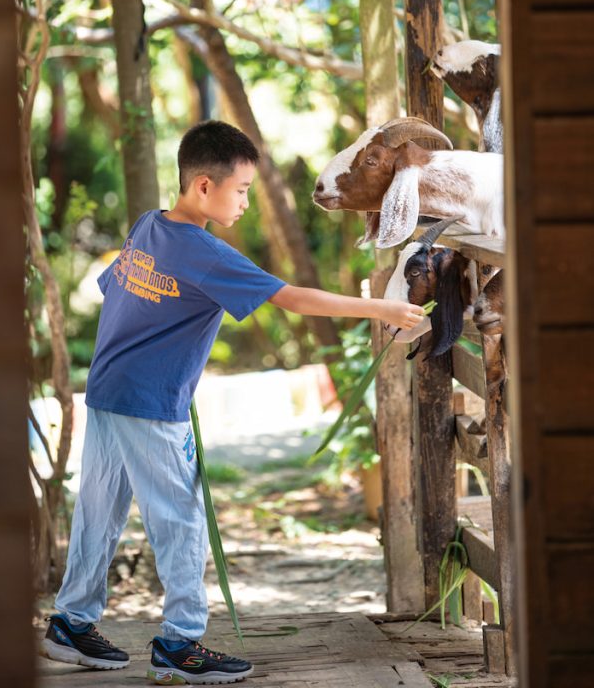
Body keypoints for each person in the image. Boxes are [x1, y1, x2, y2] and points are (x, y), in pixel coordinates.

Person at [40, 120, 425, 683]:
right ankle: (180, 643)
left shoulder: (148, 226)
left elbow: (119, 295)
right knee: (181, 520)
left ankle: (70, 622)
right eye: (241, 190)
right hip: (150, 403)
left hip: (107, 391)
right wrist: (381, 309)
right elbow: (292, 298)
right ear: (204, 186)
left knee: (99, 510)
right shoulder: (206, 253)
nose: (245, 202)